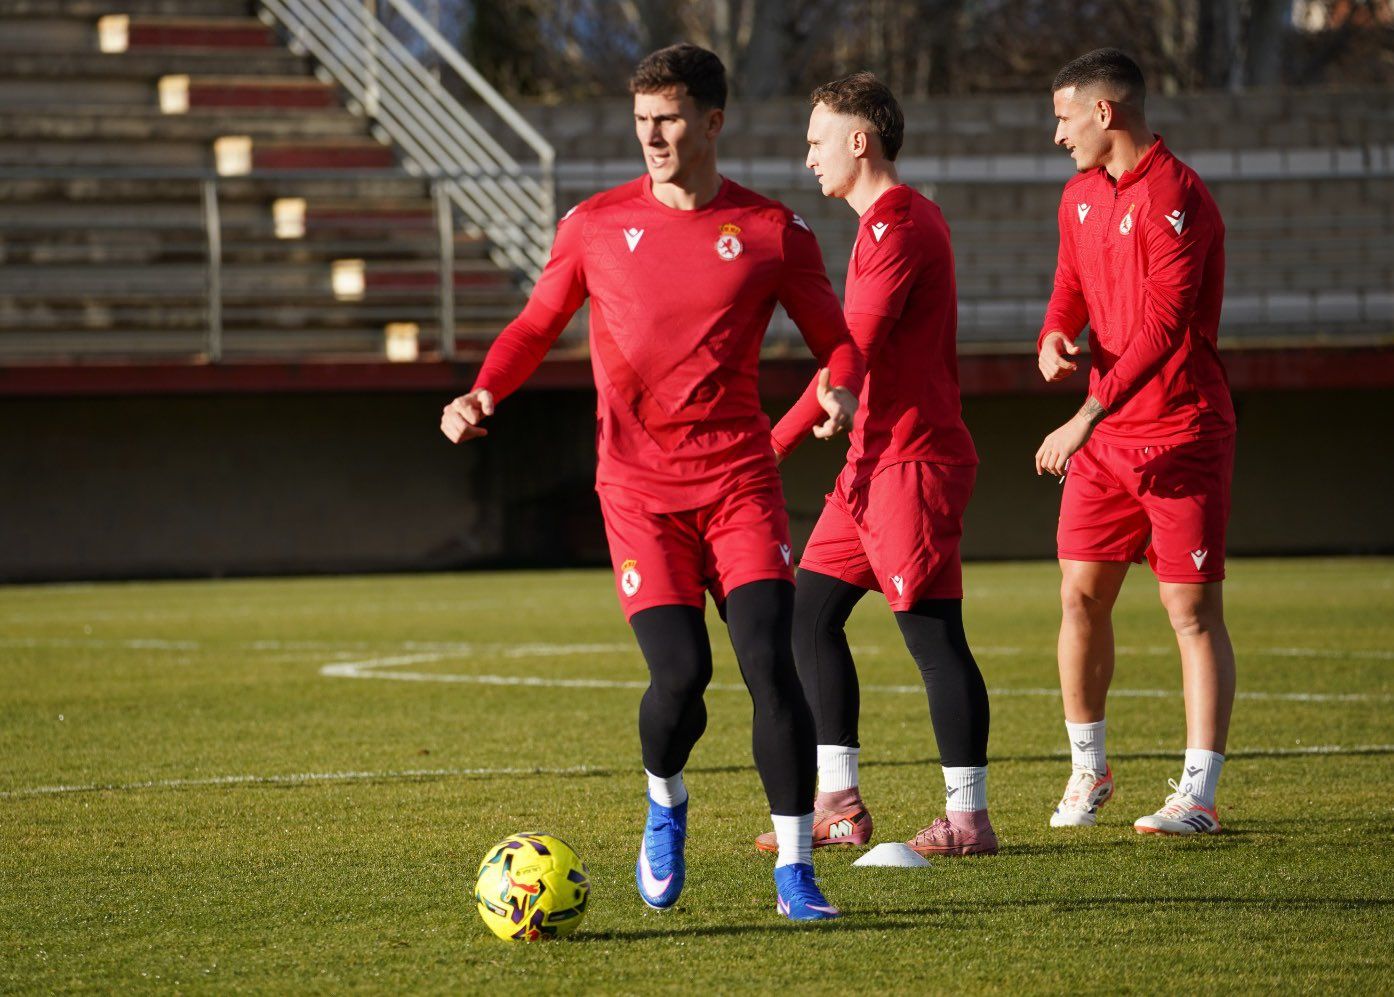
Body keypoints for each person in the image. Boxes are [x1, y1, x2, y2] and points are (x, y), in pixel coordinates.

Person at [440, 44, 863, 918]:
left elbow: (839, 340)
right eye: (642, 122)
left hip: (741, 486)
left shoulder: (773, 231)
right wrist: (484, 388)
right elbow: (533, 325)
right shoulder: (593, 225)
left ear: (712, 121)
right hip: (638, 495)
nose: (653, 137)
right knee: (680, 677)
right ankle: (665, 799)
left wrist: (844, 390)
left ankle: (794, 871)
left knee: (769, 669)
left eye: (669, 119)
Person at [759, 72, 995, 859]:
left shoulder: (900, 225)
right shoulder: (877, 226)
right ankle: (838, 802)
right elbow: (847, 351)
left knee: (932, 636)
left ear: (860, 141)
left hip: (913, 464)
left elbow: (851, 347)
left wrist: (807, 420)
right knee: (809, 615)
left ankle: (967, 820)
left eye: (817, 140)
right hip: (870, 465)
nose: (808, 158)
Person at [1033, 48, 1236, 835]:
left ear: (1104, 112)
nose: (1058, 135)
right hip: (1107, 442)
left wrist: (1086, 414)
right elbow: (1070, 284)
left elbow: (1163, 327)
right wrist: (1054, 334)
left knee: (1190, 610)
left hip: (1181, 433)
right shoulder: (1080, 194)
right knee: (1079, 596)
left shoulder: (1181, 198)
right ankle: (1090, 771)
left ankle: (1199, 793)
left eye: (1063, 117)